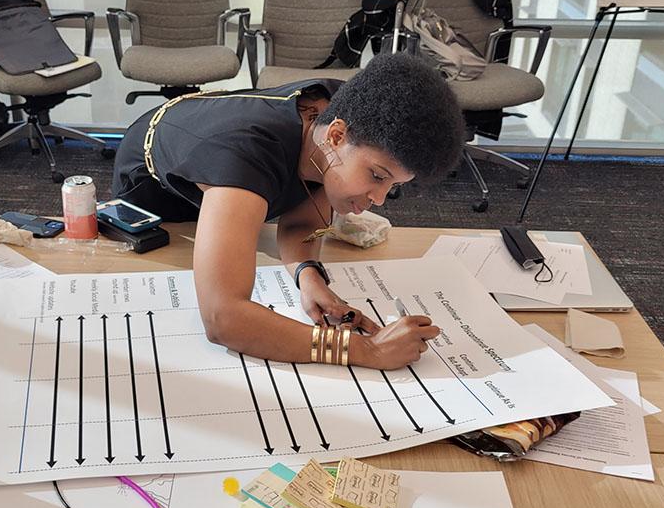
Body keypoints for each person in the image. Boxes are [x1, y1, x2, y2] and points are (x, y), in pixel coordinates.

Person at [110, 52, 465, 370]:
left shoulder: (340, 114)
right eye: (377, 176)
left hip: (215, 144)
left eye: (394, 186)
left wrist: (310, 278)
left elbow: (304, 213)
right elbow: (223, 318)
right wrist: (364, 349)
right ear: (337, 137)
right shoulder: (243, 157)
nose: (380, 199)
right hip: (158, 201)